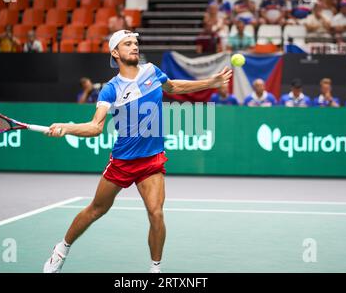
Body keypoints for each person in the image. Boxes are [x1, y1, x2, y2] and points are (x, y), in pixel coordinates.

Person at [43, 29, 232, 273]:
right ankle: (61, 249)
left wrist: (211, 82)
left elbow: (172, 87)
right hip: (123, 160)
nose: (134, 47)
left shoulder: (152, 71)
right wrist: (67, 128)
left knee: (156, 214)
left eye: (135, 43)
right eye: (127, 44)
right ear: (115, 52)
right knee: (97, 209)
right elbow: (95, 127)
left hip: (152, 159)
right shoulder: (111, 89)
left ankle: (155, 269)